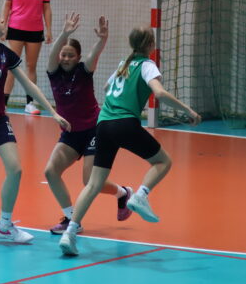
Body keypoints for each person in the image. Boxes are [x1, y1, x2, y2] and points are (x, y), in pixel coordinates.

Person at [59, 27, 200, 257]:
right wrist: (188, 111)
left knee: (93, 184)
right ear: (150, 45)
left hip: (103, 124)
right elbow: (159, 93)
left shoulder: (124, 63)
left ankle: (70, 233)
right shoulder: (147, 65)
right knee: (163, 162)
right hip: (125, 123)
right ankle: (140, 196)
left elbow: (107, 88)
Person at [0, 7, 70, 244]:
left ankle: (4, 225)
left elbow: (29, 85)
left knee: (15, 169)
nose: (3, 20)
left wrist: (53, 113)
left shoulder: (4, 52)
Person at [43, 12, 134, 234]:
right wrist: (64, 33)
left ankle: (123, 193)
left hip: (95, 130)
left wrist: (102, 39)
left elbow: (95, 55)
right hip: (70, 134)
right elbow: (52, 55)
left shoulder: (84, 71)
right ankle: (71, 218)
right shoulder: (54, 73)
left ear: (78, 57)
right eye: (63, 55)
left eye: (71, 55)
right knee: (51, 172)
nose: (66, 58)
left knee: (89, 181)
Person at [1, 0, 51, 115]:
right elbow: (6, 6)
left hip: (35, 31)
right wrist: (3, 27)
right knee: (11, 66)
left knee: (31, 66)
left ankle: (30, 103)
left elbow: (46, 8)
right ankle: (3, 104)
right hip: (15, 29)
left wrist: (49, 30)